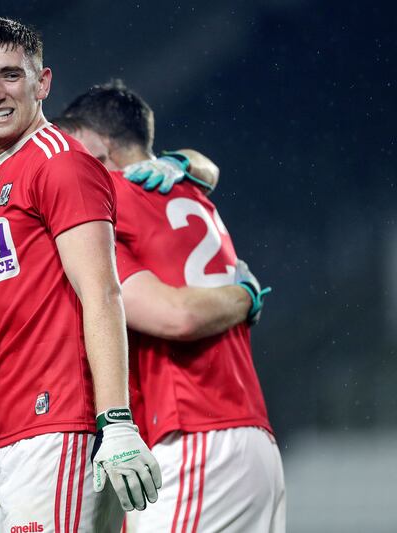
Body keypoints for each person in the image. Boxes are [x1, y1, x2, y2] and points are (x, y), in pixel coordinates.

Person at [0, 18, 162, 533]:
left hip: (60, 428)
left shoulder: (60, 165)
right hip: (12, 441)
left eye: (10, 76)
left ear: (42, 82)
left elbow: (103, 292)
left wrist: (114, 421)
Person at [59, 81, 285, 533]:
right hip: (251, 441)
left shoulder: (110, 199)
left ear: (102, 146)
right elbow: (207, 168)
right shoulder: (191, 192)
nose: (69, 167)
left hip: (194, 436)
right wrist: (187, 161)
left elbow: (174, 316)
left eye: (76, 150)